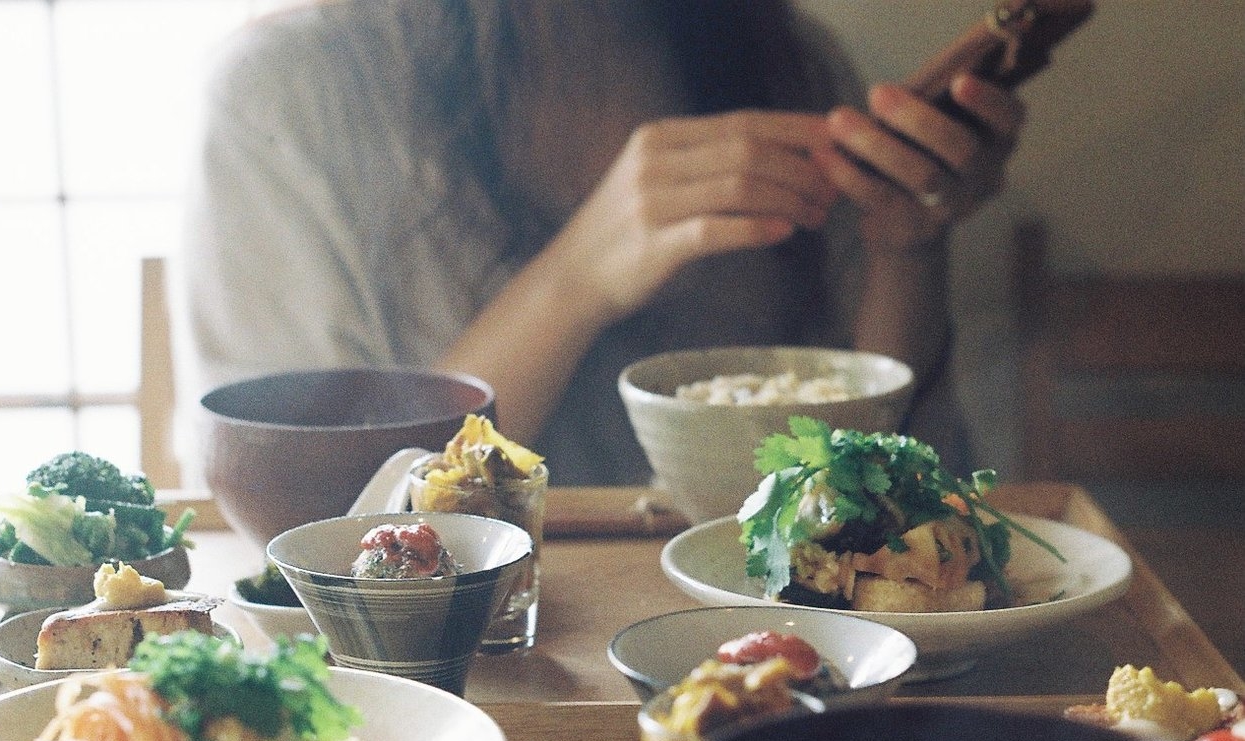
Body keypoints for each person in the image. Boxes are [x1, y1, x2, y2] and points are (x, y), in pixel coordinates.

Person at [180, 0, 1023, 483]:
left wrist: (905, 249)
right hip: (444, 693)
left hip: (777, 662)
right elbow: (309, 532)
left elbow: (896, 478)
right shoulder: (283, 101)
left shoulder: (790, 60)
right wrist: (575, 280)